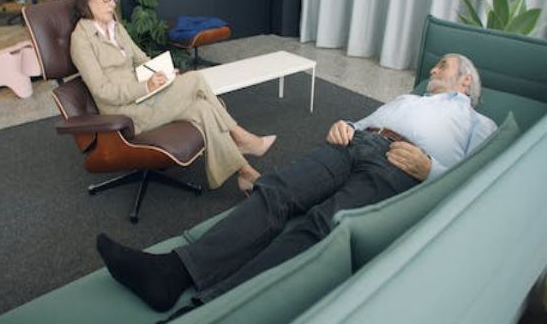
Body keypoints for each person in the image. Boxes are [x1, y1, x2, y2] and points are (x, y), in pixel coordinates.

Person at [95, 52, 497, 316]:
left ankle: (214, 309)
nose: (432, 71)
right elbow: (367, 121)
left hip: (399, 165)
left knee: (322, 225)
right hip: (354, 142)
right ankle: (172, 272)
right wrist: (346, 125)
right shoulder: (412, 100)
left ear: (465, 82)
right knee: (276, 191)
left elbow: (478, 177)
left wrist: (430, 170)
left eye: (442, 66)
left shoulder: (478, 123)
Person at [70, 0, 275, 193]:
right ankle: (242, 137)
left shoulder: (114, 27)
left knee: (203, 108)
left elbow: (141, 59)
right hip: (125, 114)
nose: (112, 4)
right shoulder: (81, 40)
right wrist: (145, 87)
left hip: (145, 100)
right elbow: (102, 90)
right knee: (195, 79)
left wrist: (163, 71)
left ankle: (245, 172)